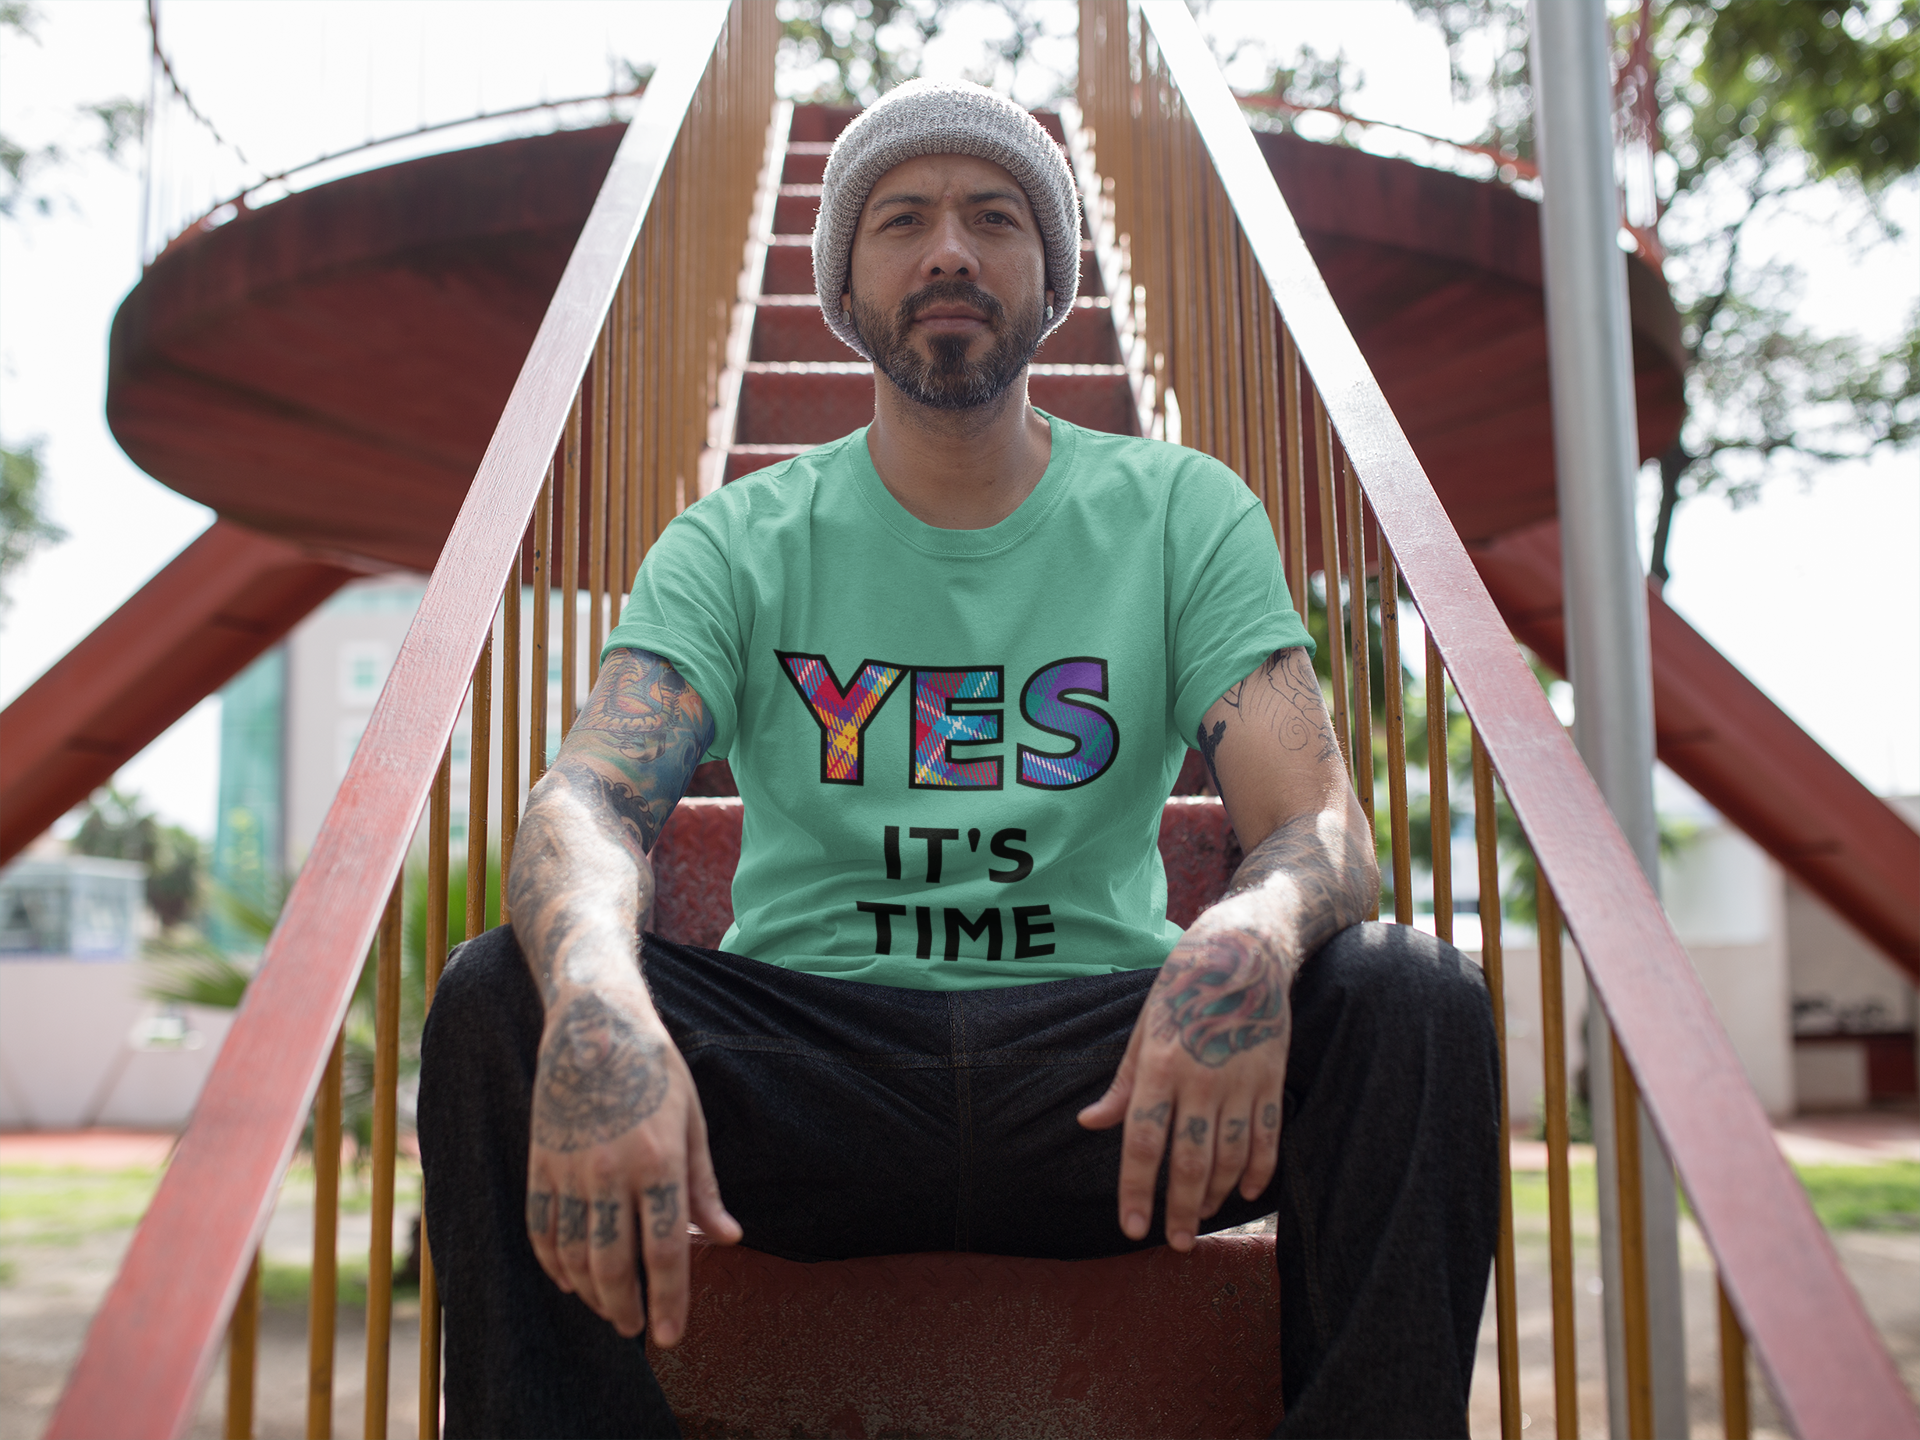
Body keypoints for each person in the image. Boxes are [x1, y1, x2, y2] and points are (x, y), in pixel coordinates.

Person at [419, 78, 1499, 1439]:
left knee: (1414, 995)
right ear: (843, 291)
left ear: (1050, 283)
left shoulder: (1179, 513)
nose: (949, 250)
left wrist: (1251, 940)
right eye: (900, 220)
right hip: (807, 1077)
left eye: (994, 218)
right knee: (495, 1001)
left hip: (1110, 1088)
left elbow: (1319, 826)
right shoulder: (738, 540)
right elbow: (588, 795)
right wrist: (595, 990)